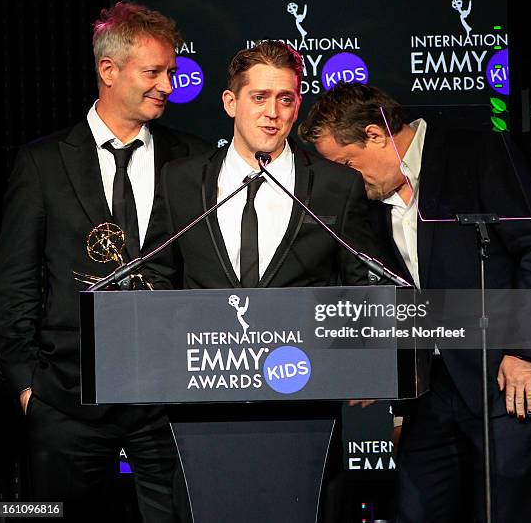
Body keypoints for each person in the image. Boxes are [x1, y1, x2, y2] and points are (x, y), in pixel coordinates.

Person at [145, 40, 385, 521]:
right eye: (259, 97)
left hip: (303, 402)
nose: (272, 113)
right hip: (203, 399)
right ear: (231, 103)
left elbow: (362, 282)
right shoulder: (180, 180)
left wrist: (365, 358)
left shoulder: (336, 187)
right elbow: (156, 274)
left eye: (286, 98)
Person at [299, 81, 531, 523]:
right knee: (414, 509)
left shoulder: (475, 153)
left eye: (347, 163)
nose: (346, 178)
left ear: (376, 136)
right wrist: (369, 365)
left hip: (503, 379)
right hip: (431, 390)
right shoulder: (369, 201)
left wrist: (524, 351)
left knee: (505, 510)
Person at [0, 1, 209, 521]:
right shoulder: (43, 162)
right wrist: (28, 387)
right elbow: (17, 281)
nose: (167, 85)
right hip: (67, 400)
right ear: (108, 71)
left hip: (168, 399)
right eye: (153, 72)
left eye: (171, 72)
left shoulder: (196, 158)